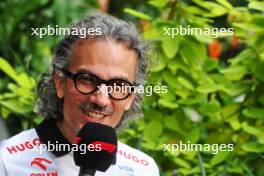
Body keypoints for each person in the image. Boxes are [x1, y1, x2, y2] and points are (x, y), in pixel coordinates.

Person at [0, 13, 160, 176]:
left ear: (131, 97)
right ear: (60, 82)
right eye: (87, 79)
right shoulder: (7, 161)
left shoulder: (143, 169)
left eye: (118, 85)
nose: (101, 100)